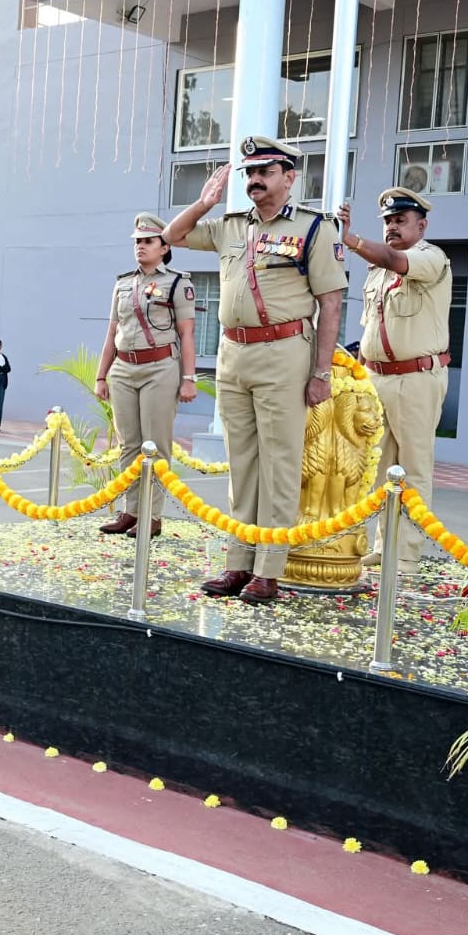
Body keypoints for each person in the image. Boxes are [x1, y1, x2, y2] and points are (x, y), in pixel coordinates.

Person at [161, 136, 346, 605]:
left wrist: (321, 372)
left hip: (284, 353)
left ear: (289, 177)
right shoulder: (230, 226)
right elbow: (172, 237)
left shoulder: (313, 228)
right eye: (250, 173)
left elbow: (330, 303)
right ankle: (238, 562)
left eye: (266, 172)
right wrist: (204, 203)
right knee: (241, 463)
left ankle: (268, 570)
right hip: (233, 354)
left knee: (279, 463)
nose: (255, 180)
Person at [339, 187, 452, 571]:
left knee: (414, 469)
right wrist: (358, 376)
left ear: (422, 225)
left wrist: (351, 240)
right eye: (387, 221)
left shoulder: (430, 258)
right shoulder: (377, 272)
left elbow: (394, 258)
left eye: (400, 220)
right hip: (377, 378)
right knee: (379, 468)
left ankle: (405, 554)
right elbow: (369, 329)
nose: (392, 227)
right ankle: (384, 546)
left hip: (416, 377)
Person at [93, 212, 199, 537]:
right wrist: (101, 376)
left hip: (160, 368)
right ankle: (131, 511)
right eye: (137, 241)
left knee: (155, 445)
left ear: (164, 247)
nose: (140, 246)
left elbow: (187, 333)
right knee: (129, 444)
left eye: (148, 241)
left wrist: (189, 378)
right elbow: (112, 332)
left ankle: (152, 516)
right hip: (123, 369)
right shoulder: (123, 283)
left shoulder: (178, 283)